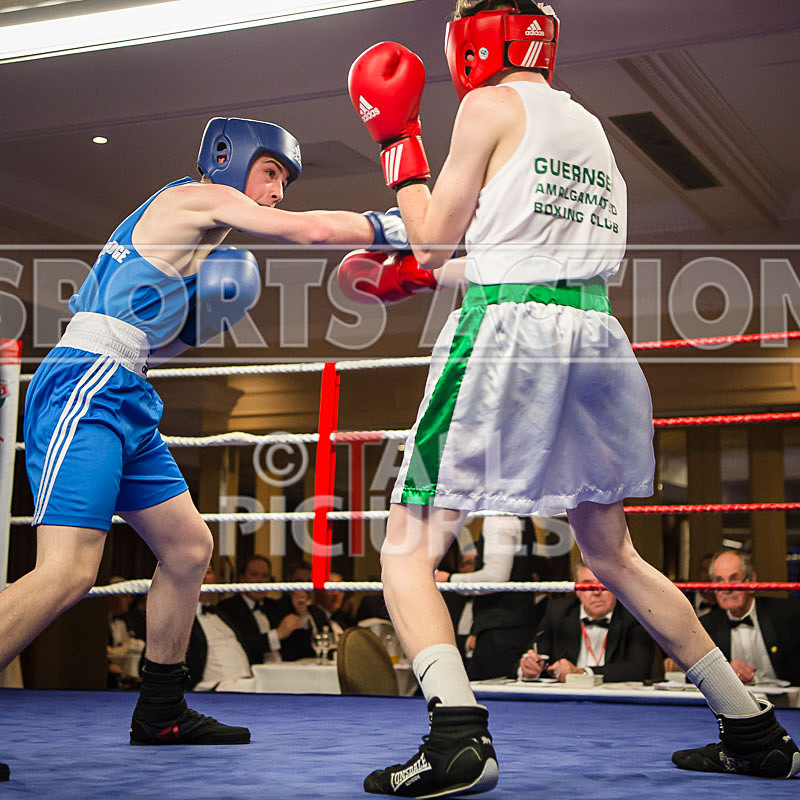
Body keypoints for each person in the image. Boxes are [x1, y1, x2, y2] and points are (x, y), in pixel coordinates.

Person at [342, 2, 799, 794]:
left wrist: (397, 145)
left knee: (408, 546)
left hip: (506, 338)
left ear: (472, 40)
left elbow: (431, 236)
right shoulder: (589, 127)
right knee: (612, 554)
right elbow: (529, 256)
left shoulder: (486, 105)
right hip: (593, 337)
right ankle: (751, 727)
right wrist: (428, 275)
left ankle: (455, 736)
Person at [0, 116, 408, 776]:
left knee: (189, 549)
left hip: (126, 388)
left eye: (283, 180)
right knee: (68, 572)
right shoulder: (194, 197)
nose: (277, 190)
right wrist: (391, 226)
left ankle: (160, 709)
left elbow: (155, 344)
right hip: (85, 382)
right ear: (231, 158)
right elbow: (303, 231)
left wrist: (198, 317)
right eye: (272, 172)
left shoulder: (195, 236)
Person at [435, 516, 541, 680]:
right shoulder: (518, 513)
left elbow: (495, 576)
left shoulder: (499, 517)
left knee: (486, 695)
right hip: (515, 624)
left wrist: (449, 580)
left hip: (499, 630)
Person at [519, 561, 653, 683]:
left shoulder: (635, 615)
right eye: (587, 585)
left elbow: (639, 668)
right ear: (577, 590)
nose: (596, 592)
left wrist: (582, 673)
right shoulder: (557, 612)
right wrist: (529, 669)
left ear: (616, 586)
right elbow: (535, 655)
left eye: (603, 583)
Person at [698, 550, 800, 686]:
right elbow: (697, 677)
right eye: (719, 581)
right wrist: (723, 672)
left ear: (752, 581)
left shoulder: (786, 614)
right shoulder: (707, 625)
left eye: (734, 579)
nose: (727, 589)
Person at [185, 563, 254, 691]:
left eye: (208, 572)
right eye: (197, 571)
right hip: (212, 688)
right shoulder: (178, 617)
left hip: (247, 683)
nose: (204, 576)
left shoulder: (220, 612)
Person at [218, 554, 291, 664]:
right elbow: (243, 646)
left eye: (265, 576)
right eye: (254, 575)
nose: (260, 580)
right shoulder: (228, 608)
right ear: (242, 579)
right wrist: (277, 635)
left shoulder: (273, 606)